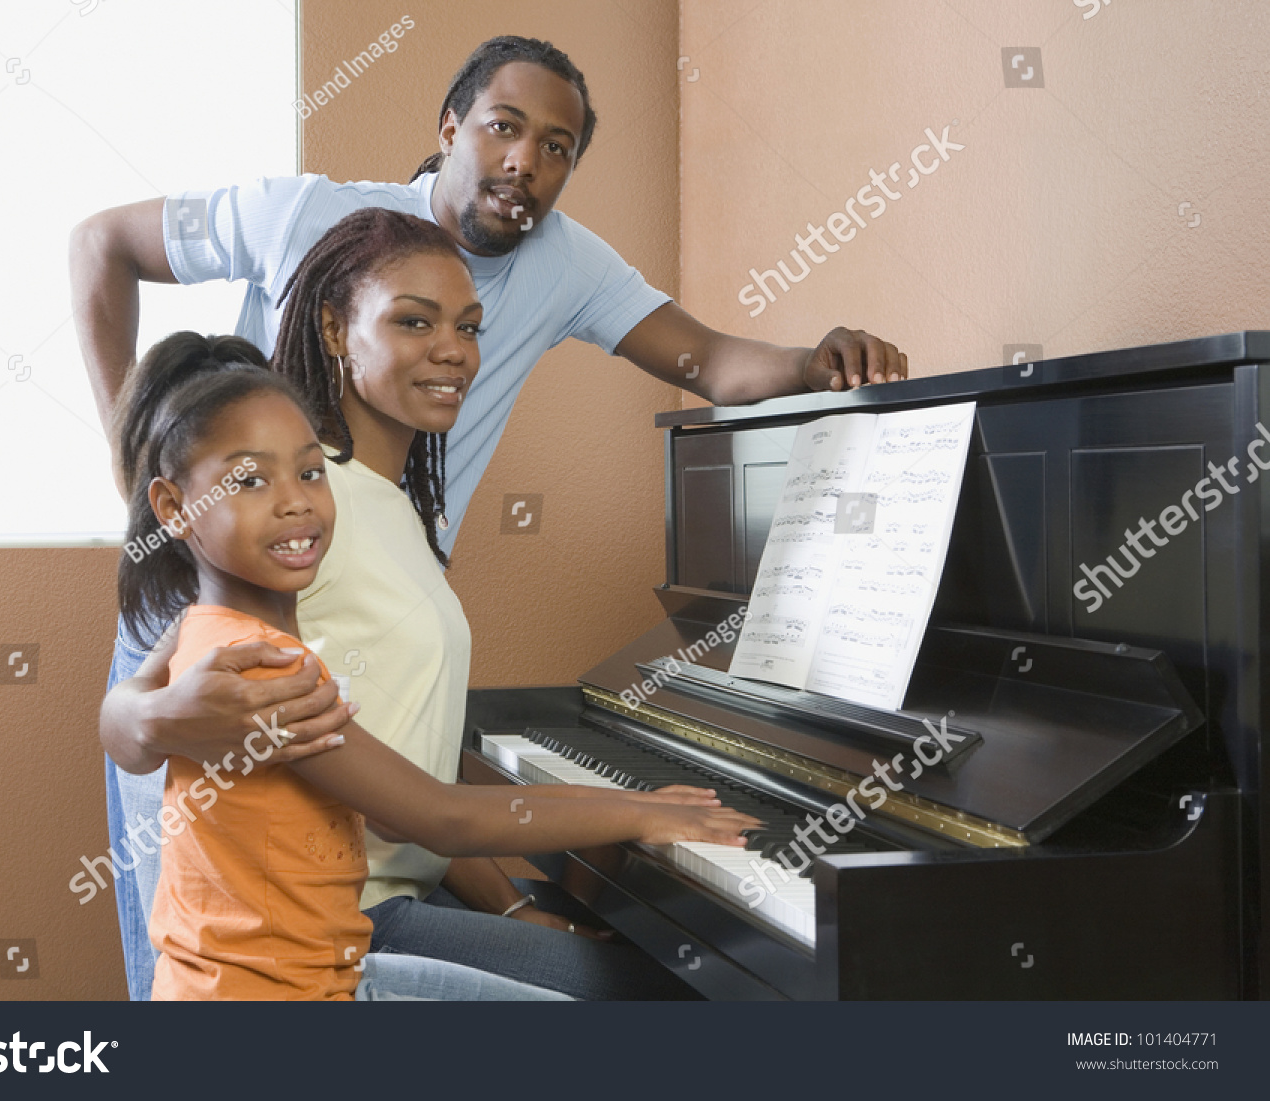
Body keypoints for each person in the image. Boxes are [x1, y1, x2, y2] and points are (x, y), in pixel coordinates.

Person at [70, 35, 909, 1000]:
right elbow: (100, 243)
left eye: (559, 147)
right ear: (448, 130)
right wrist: (149, 497)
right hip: (246, 645)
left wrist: (819, 362)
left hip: (374, 672)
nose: (526, 161)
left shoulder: (552, 273)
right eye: (505, 128)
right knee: (201, 955)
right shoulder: (305, 494)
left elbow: (711, 362)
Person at [114, 328, 761, 999]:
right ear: (174, 509)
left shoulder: (208, 629)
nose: (295, 499)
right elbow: (438, 817)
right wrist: (642, 813)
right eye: (249, 480)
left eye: (309, 471)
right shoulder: (262, 672)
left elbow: (398, 815)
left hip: (300, 974)